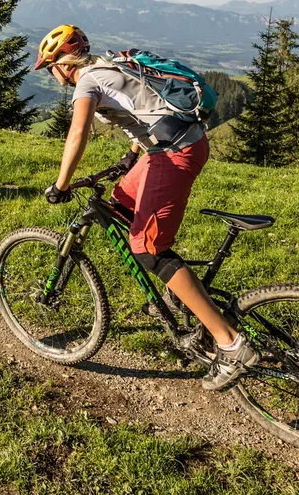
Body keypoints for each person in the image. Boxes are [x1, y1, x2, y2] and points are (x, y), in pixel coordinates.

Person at [33, 24, 258, 390]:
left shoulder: (87, 82)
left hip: (174, 153)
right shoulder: (110, 65)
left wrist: (60, 185)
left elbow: (77, 133)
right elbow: (142, 106)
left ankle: (230, 344)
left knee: (148, 250)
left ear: (62, 63)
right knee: (121, 201)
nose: (52, 75)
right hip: (170, 146)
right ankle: (179, 292)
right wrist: (131, 153)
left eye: (50, 68)